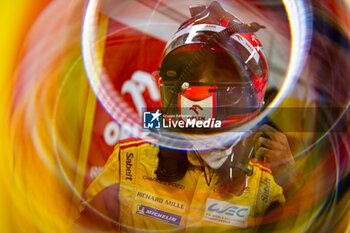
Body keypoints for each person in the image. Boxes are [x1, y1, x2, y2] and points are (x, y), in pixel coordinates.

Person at [75, 2, 303, 232]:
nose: (201, 86)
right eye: (191, 73)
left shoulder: (266, 183)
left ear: (247, 89)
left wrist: (292, 184)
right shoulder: (130, 161)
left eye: (219, 74)